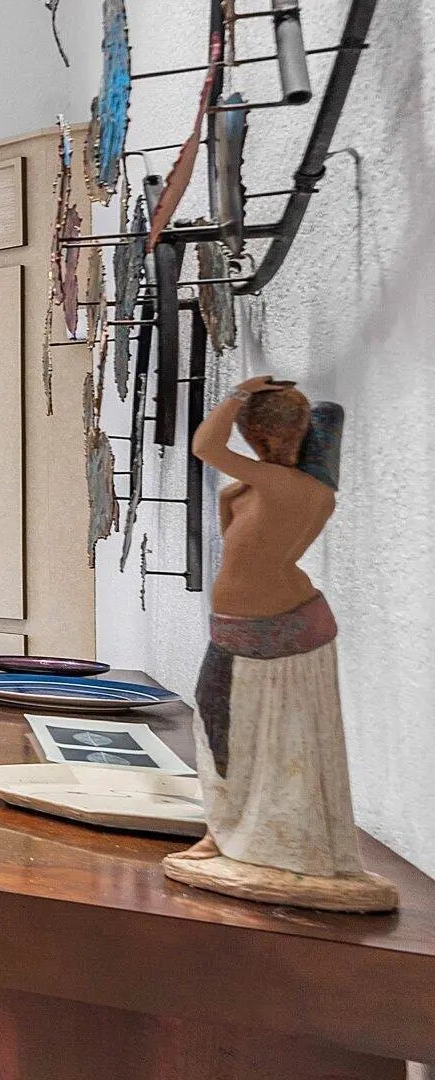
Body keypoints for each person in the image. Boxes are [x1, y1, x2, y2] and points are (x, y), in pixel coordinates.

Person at [163, 377, 392, 909]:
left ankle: (278, 846)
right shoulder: (255, 489)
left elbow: (204, 446)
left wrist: (239, 393)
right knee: (220, 730)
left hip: (285, 631)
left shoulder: (293, 488)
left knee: (281, 743)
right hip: (241, 629)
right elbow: (239, 550)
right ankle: (224, 831)